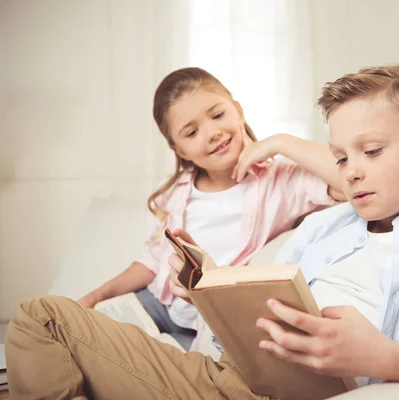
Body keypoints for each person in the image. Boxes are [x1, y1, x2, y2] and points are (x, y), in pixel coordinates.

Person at [5, 65, 399, 399]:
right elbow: (238, 325)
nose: (350, 170)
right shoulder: (324, 228)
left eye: (371, 152)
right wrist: (213, 291)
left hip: (295, 387)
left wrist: (381, 358)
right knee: (40, 318)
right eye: (341, 156)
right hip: (232, 375)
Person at [77, 67, 344, 350]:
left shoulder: (281, 182)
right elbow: (151, 262)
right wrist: (96, 296)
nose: (213, 133)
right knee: (62, 330)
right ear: (179, 150)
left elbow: (348, 178)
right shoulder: (173, 195)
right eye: (192, 132)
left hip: (203, 329)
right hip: (155, 306)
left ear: (238, 111)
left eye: (218, 115)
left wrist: (280, 142)